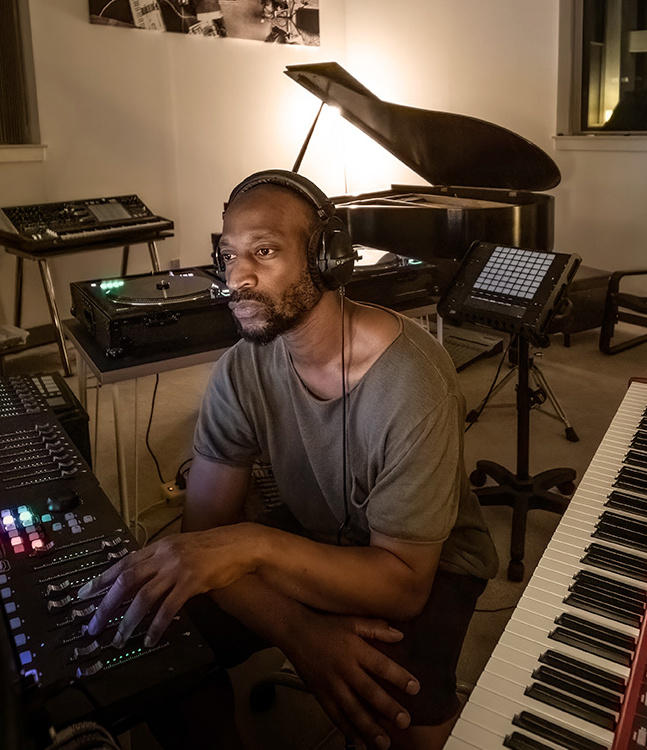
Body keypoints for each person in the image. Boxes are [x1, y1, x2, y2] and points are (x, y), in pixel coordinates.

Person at [81, 170, 496, 750]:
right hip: (310, 533)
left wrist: (254, 545)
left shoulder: (414, 383)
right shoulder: (240, 369)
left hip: (428, 564)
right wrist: (300, 633)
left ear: (328, 259)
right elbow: (204, 537)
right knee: (157, 625)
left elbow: (402, 586)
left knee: (390, 709)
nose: (237, 278)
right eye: (229, 256)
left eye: (265, 251)